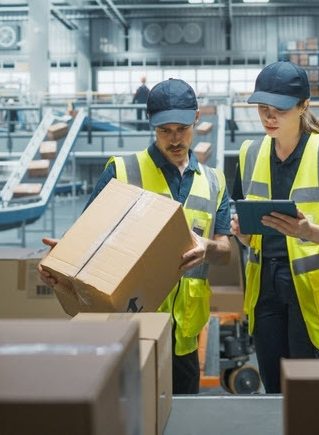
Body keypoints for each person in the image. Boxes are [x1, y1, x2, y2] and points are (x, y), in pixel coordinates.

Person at [39, 78, 232, 395]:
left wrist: (209, 248)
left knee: (178, 418)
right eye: (164, 130)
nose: (173, 139)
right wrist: (65, 258)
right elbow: (83, 240)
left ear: (197, 118)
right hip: (131, 323)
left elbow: (224, 251)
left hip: (184, 331)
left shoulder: (215, 182)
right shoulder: (122, 171)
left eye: (181, 129)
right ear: (151, 125)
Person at [230, 60, 319, 393]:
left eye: (280, 109)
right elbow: (248, 234)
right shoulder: (249, 154)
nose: (269, 118)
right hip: (265, 291)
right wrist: (242, 235)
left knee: (311, 395)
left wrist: (310, 232)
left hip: (313, 293)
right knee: (275, 391)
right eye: (263, 109)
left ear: (304, 105)